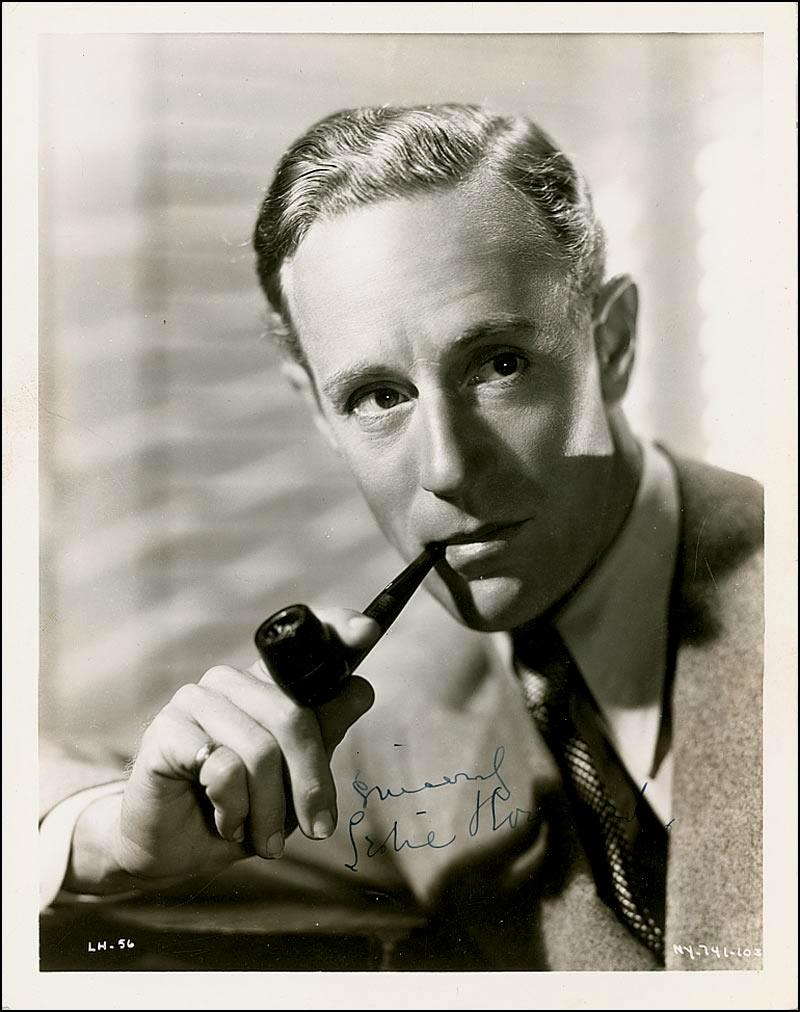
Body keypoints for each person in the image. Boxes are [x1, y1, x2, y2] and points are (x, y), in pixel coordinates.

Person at [40, 104, 763, 971]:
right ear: (319, 413)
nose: (447, 468)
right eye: (377, 397)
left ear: (611, 344)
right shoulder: (386, 702)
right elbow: (47, 774)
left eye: (499, 365)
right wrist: (113, 839)